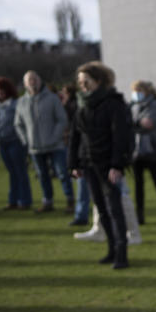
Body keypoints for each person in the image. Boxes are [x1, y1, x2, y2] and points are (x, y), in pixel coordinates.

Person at [68, 61, 133, 269]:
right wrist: (74, 163)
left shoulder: (113, 103)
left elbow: (121, 137)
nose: (83, 85)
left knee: (115, 209)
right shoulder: (81, 104)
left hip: (108, 165)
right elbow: (75, 137)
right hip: (89, 164)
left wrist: (117, 165)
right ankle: (112, 250)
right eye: (80, 82)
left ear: (98, 81)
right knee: (102, 209)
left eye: (86, 81)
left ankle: (122, 254)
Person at [14, 70, 73, 213]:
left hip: (55, 145)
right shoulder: (21, 102)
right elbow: (18, 124)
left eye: (35, 79)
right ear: (25, 84)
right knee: (42, 175)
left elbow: (62, 119)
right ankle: (48, 202)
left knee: (62, 173)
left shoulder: (52, 98)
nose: (32, 82)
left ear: (40, 81)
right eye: (29, 80)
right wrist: (26, 140)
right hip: (35, 147)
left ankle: (70, 201)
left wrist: (54, 136)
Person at [129, 80, 156, 226]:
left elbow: (149, 124)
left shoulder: (155, 105)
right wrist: (137, 123)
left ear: (145, 91)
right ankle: (140, 217)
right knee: (138, 186)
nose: (136, 94)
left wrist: (134, 124)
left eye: (138, 90)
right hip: (136, 151)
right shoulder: (133, 105)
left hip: (152, 150)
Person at [0, 76, 33, 212]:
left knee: (20, 172)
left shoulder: (16, 104)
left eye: (2, 89)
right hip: (3, 143)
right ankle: (13, 200)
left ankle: (25, 200)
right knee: (12, 172)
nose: (0, 92)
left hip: (15, 142)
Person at [59, 83, 91, 225]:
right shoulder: (78, 106)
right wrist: (73, 163)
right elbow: (75, 136)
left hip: (99, 156)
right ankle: (81, 216)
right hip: (83, 154)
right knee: (82, 187)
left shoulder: (76, 105)